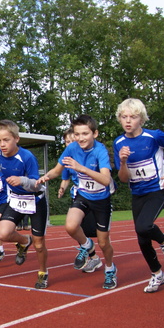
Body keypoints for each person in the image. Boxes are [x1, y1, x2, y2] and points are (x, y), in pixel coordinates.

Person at [38, 115, 117, 289]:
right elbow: (58, 171)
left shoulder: (100, 151)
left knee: (104, 243)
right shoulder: (72, 148)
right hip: (83, 195)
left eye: (85, 134)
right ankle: (86, 245)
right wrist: (46, 177)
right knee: (71, 226)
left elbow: (105, 179)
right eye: (77, 134)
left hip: (101, 200)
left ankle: (110, 269)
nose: (80, 138)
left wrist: (81, 168)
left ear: (94, 133)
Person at [113, 98, 164, 293]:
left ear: (141, 119)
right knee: (142, 238)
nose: (128, 121)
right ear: (119, 119)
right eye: (124, 117)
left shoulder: (154, 137)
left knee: (143, 226)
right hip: (137, 192)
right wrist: (123, 162)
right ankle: (157, 274)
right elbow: (123, 179)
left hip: (157, 188)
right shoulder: (119, 143)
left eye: (133, 117)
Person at [0, 120, 49, 288]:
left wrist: (21, 180)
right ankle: (24, 241)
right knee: (2, 232)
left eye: (6, 140)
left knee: (39, 244)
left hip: (35, 200)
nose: (2, 144)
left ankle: (43, 272)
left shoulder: (27, 157)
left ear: (16, 139)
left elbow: (36, 183)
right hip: (17, 199)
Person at [58, 128, 98, 239]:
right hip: (78, 195)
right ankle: (88, 251)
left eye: (72, 141)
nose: (69, 144)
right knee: (76, 227)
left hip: (95, 195)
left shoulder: (91, 154)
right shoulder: (66, 159)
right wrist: (62, 188)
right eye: (67, 142)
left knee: (94, 231)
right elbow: (65, 179)